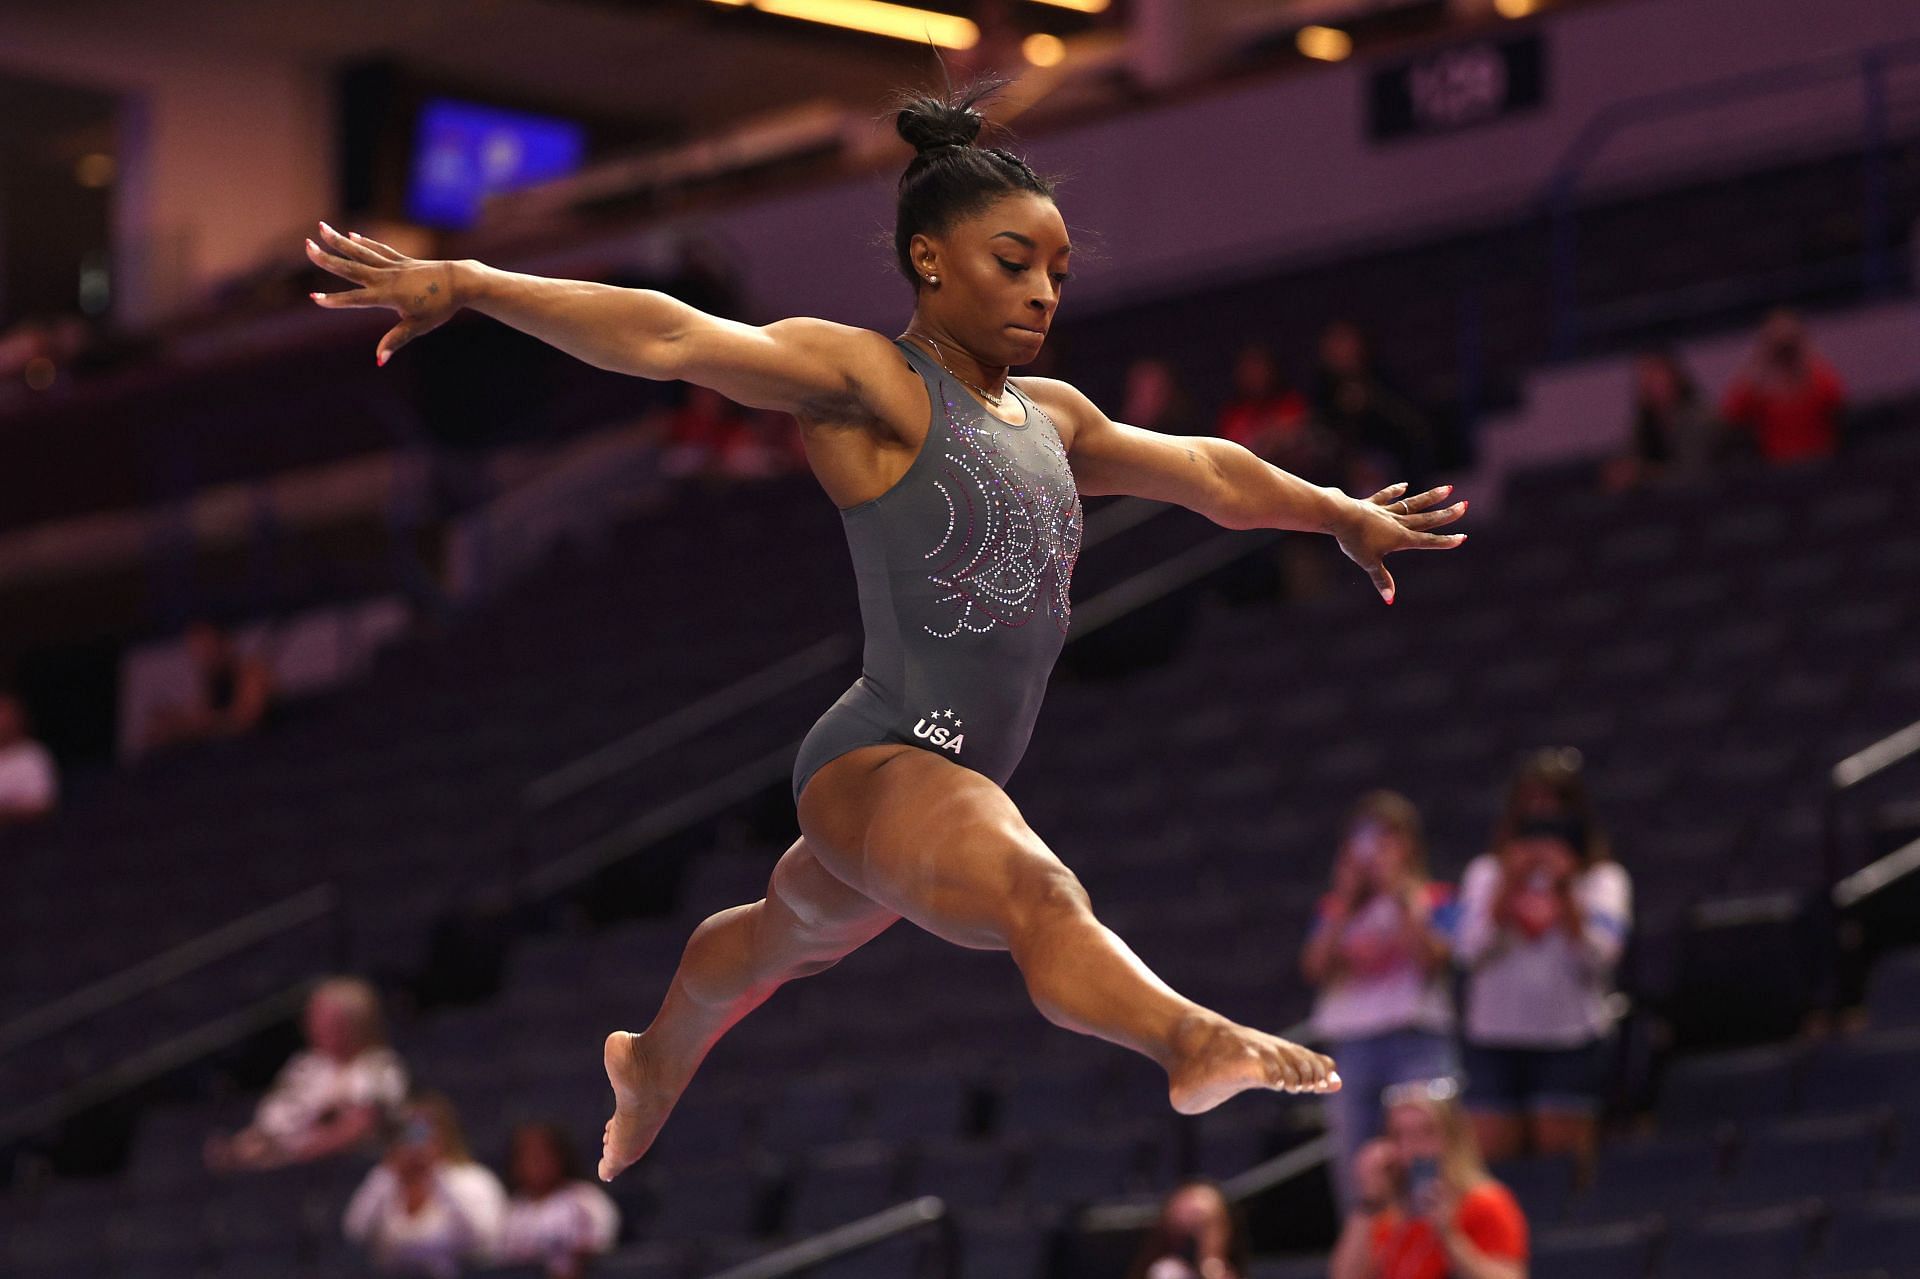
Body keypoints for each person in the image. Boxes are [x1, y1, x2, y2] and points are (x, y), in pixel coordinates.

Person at [304, 69, 1469, 1184]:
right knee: (1040, 898)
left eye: (1057, 269)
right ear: (929, 259)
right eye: (1013, 262)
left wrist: (1334, 513)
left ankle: (651, 1059)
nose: (1042, 291)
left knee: (780, 932)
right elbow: (668, 335)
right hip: (888, 755)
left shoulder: (1053, 417)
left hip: (932, 780)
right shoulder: (871, 380)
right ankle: (1186, 1040)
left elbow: (1207, 469)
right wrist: (472, 280)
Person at [1453, 751, 1630, 1169]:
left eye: (1555, 807)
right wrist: (1507, 887)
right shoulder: (1484, 875)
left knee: (1561, 1169)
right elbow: (1467, 950)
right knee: (1496, 1169)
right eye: (1532, 807)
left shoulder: (1602, 880)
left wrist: (1567, 893)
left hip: (1568, 1038)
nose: (1542, 816)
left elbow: (1599, 958)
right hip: (1495, 1037)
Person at [1301, 792, 1457, 1211]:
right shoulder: (1336, 908)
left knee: (1426, 1158)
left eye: (1389, 838)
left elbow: (1432, 959)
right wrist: (1347, 902)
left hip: (1415, 1038)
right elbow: (1315, 967)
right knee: (1357, 1164)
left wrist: (1402, 895)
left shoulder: (1434, 897)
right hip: (1351, 1046)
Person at [1330, 1077, 1528, 1279]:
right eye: (1400, 1135)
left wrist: (1450, 1236)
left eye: (1427, 1133)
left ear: (1453, 1138)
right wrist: (1369, 1202)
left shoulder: (1485, 1201)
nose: (1413, 1147)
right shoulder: (1386, 1214)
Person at [205, 976, 408, 1170]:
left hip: (343, 1172)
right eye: (312, 1016)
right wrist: (237, 1150)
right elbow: (272, 1125)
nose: (313, 1025)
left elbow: (360, 1125)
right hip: (286, 1171)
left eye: (324, 1018)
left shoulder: (378, 1066)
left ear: (354, 1022)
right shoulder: (305, 1067)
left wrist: (296, 1156)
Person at [344, 1092, 507, 1277]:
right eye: (409, 1134)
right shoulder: (390, 1182)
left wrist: (437, 1173)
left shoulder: (473, 1179)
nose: (416, 1143)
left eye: (423, 1133)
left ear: (444, 1135)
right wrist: (387, 1172)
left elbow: (482, 1241)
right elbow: (354, 1231)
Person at [1310, 321, 1430, 493]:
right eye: (1332, 343)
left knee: (1371, 474)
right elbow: (1320, 429)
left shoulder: (1381, 380)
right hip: (1336, 462)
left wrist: (1371, 400)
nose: (1337, 350)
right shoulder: (1323, 387)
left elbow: (1411, 426)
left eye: (1344, 342)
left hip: (1386, 457)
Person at [1718, 307, 1846, 464]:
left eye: (1790, 340)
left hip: (1822, 463)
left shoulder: (1816, 377)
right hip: (1777, 471)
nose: (1784, 347)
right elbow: (1731, 415)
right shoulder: (1760, 387)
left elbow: (1836, 399)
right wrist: (1759, 361)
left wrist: (1807, 355)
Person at [496, 1122, 621, 1278]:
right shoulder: (513, 1210)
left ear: (561, 1157)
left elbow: (599, 1255)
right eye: (527, 1156)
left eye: (542, 1155)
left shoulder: (585, 1200)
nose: (535, 1163)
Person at [1601, 348, 1723, 492]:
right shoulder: (1646, 422)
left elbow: (1693, 476)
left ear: (1675, 376)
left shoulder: (1699, 418)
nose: (1647, 382)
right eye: (1642, 376)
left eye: (1654, 374)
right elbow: (1630, 456)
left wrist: (1644, 473)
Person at [145, 619, 274, 750]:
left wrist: (192, 725)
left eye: (207, 647)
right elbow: (202, 715)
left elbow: (245, 721)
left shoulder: (252, 670)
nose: (203, 657)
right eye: (197, 651)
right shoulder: (211, 682)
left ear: (224, 643)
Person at [1215, 341, 1317, 475]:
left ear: (1271, 370)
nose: (1254, 375)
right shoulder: (1233, 415)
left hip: (1293, 477)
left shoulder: (1291, 404)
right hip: (1248, 482)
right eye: (1248, 370)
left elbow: (1301, 445)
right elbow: (1229, 457)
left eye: (1258, 367)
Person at [1125, 1178, 1251, 1279]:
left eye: (1208, 1225)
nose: (1197, 1236)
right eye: (1188, 1226)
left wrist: (1211, 1266)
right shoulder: (1166, 1271)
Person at [0, 692, 58, 828]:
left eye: (4, 716)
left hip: (20, 837)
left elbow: (45, 806)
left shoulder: (33, 756)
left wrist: (6, 812)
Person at [1122, 355, 1202, 438]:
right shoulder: (1116, 431)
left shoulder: (1187, 435)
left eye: (1154, 393)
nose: (1144, 401)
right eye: (1138, 390)